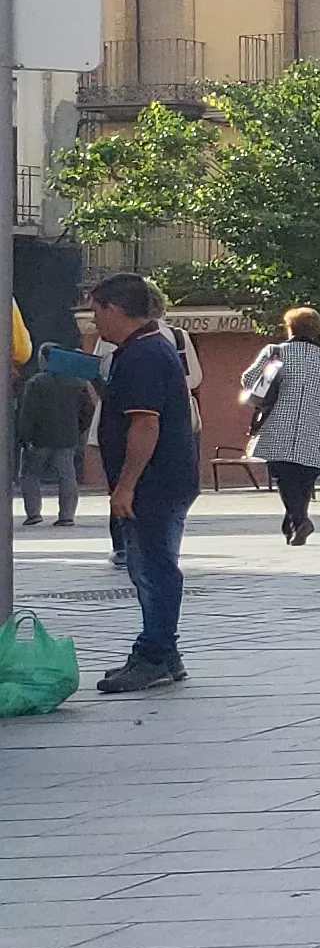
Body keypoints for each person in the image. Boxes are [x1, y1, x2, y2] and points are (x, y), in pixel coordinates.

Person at [87, 274, 198, 695]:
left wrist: (126, 485)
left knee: (152, 569)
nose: (94, 320)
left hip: (155, 483)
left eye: (96, 310)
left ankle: (153, 654)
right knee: (151, 565)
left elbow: (145, 424)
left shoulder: (144, 355)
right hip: (165, 479)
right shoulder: (144, 350)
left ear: (115, 309)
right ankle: (164, 653)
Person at [239, 310, 320, 545]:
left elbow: (248, 380)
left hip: (279, 421)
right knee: (306, 475)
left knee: (283, 474)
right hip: (315, 424)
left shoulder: (276, 352)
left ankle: (300, 520)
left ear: (289, 327)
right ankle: (293, 522)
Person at [14, 341, 94, 528]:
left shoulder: (35, 383)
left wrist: (24, 437)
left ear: (44, 359)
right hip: (67, 437)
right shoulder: (76, 381)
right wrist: (78, 428)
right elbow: (88, 410)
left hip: (38, 439)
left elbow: (28, 413)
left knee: (30, 474)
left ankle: (34, 513)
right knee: (67, 475)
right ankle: (67, 516)